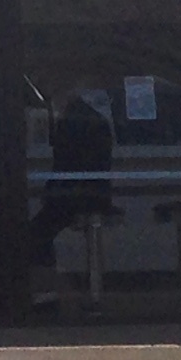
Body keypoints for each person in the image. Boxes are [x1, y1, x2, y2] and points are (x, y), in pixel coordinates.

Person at [31, 88, 118, 266]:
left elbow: (64, 167)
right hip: (94, 194)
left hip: (76, 196)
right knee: (38, 233)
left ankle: (44, 276)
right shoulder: (92, 118)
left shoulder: (70, 122)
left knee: (33, 235)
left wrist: (50, 192)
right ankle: (48, 277)